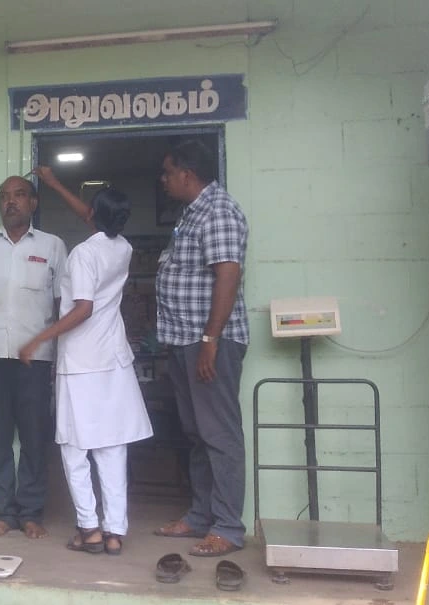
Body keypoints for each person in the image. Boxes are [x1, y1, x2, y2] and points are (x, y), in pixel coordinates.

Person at [19, 177, 153, 556]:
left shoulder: (82, 255)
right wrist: (56, 184)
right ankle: (114, 531)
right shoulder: (122, 248)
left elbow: (83, 308)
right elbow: (97, 218)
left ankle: (89, 528)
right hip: (112, 362)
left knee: (75, 449)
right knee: (111, 449)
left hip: (81, 363)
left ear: (93, 214)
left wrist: (40, 338)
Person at [148, 140, 250, 558]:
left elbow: (227, 276)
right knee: (196, 434)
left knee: (219, 435)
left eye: (168, 172)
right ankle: (200, 516)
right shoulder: (191, 215)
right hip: (185, 342)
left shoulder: (218, 211)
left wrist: (210, 340)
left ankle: (227, 527)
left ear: (187, 174)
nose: (164, 179)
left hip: (209, 343)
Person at [0, 175, 68, 539]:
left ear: (33, 203)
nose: (11, 202)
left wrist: (62, 357)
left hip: (35, 360)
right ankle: (5, 512)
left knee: (36, 437)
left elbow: (62, 304)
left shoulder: (53, 246)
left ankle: (32, 512)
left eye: (19, 195)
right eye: (4, 196)